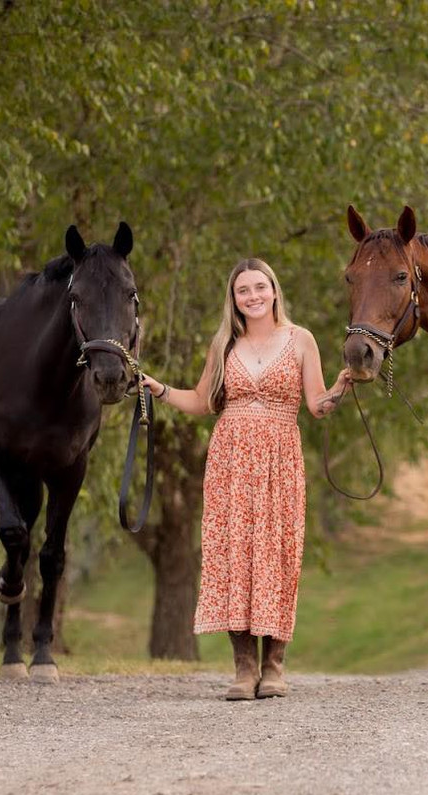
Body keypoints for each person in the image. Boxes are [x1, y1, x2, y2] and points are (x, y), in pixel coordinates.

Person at [140, 258, 351, 700]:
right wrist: (156, 388)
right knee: (233, 554)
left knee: (276, 555)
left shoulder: (300, 340)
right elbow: (202, 401)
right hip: (230, 459)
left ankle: (274, 666)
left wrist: (341, 388)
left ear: (274, 290)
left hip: (279, 457)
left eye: (259, 287)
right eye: (243, 291)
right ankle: (243, 668)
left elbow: (316, 405)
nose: (252, 296)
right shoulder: (224, 344)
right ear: (233, 299)